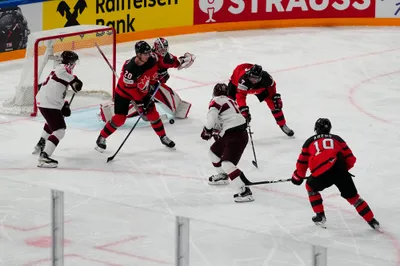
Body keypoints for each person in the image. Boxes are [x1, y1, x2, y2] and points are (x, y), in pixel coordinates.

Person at [291, 118, 380, 230]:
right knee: (353, 197)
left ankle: (320, 216)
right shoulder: (337, 139)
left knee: (310, 186)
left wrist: (298, 177)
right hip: (340, 169)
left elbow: (302, 164)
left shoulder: (309, 142)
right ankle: (372, 221)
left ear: (316, 129)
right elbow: (351, 159)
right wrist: (341, 169)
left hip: (321, 173)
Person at [95, 40, 175, 152]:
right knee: (119, 119)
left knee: (153, 115)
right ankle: (102, 137)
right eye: (145, 54)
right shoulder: (130, 69)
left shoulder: (151, 59)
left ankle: (163, 137)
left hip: (141, 91)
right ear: (138, 54)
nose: (148, 55)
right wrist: (141, 101)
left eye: (148, 53)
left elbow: (157, 68)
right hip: (124, 93)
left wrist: (160, 75)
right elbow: (131, 90)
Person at [99, 37, 195, 123]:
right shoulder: (149, 58)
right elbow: (136, 70)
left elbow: (174, 62)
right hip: (141, 86)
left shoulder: (163, 57)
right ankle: (109, 112)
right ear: (156, 48)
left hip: (152, 85)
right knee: (141, 106)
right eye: (161, 49)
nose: (163, 51)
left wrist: (184, 60)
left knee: (169, 99)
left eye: (165, 49)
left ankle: (178, 109)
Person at [201, 83, 254, 203]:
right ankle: (223, 176)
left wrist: (207, 131)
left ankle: (244, 191)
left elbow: (212, 118)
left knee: (227, 163)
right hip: (235, 133)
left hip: (234, 135)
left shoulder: (215, 101)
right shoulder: (231, 100)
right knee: (213, 152)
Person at [33, 51, 82, 168]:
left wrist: (63, 104)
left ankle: (41, 143)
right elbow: (73, 82)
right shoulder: (62, 70)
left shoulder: (60, 69)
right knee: (60, 130)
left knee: (51, 122)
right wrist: (75, 80)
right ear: (70, 62)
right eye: (74, 62)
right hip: (48, 103)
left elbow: (56, 89)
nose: (75, 64)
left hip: (46, 101)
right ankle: (44, 157)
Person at [228, 63, 294, 137]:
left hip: (259, 89)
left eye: (255, 78)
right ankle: (229, 126)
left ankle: (282, 124)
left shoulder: (267, 78)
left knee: (274, 104)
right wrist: (243, 108)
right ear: (249, 74)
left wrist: (274, 96)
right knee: (229, 103)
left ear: (260, 77)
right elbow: (240, 96)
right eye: (251, 77)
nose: (253, 80)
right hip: (236, 83)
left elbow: (272, 86)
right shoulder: (243, 80)